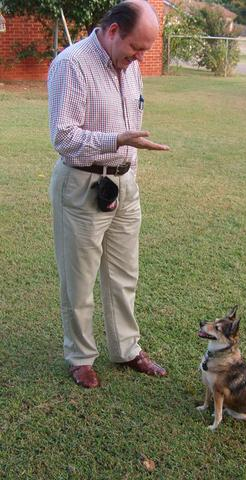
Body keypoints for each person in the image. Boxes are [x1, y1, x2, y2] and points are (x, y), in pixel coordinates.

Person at [48, 0, 170, 388]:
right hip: (82, 184)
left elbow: (132, 120)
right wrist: (115, 140)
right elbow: (63, 137)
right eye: (136, 48)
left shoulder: (130, 67)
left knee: (123, 275)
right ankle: (81, 357)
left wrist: (128, 170)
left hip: (123, 185)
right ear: (113, 30)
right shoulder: (72, 64)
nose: (139, 59)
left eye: (146, 52)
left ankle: (127, 348)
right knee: (79, 279)